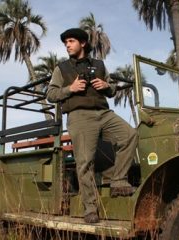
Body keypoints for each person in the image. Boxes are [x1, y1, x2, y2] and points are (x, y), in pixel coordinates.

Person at [46, 28, 138, 223]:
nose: (68, 45)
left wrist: (106, 86)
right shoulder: (61, 69)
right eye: (66, 43)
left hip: (103, 113)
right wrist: (70, 89)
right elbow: (51, 95)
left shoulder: (99, 65)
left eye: (71, 41)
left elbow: (112, 89)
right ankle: (90, 208)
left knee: (129, 135)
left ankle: (118, 180)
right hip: (80, 116)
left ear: (83, 43)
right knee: (85, 161)